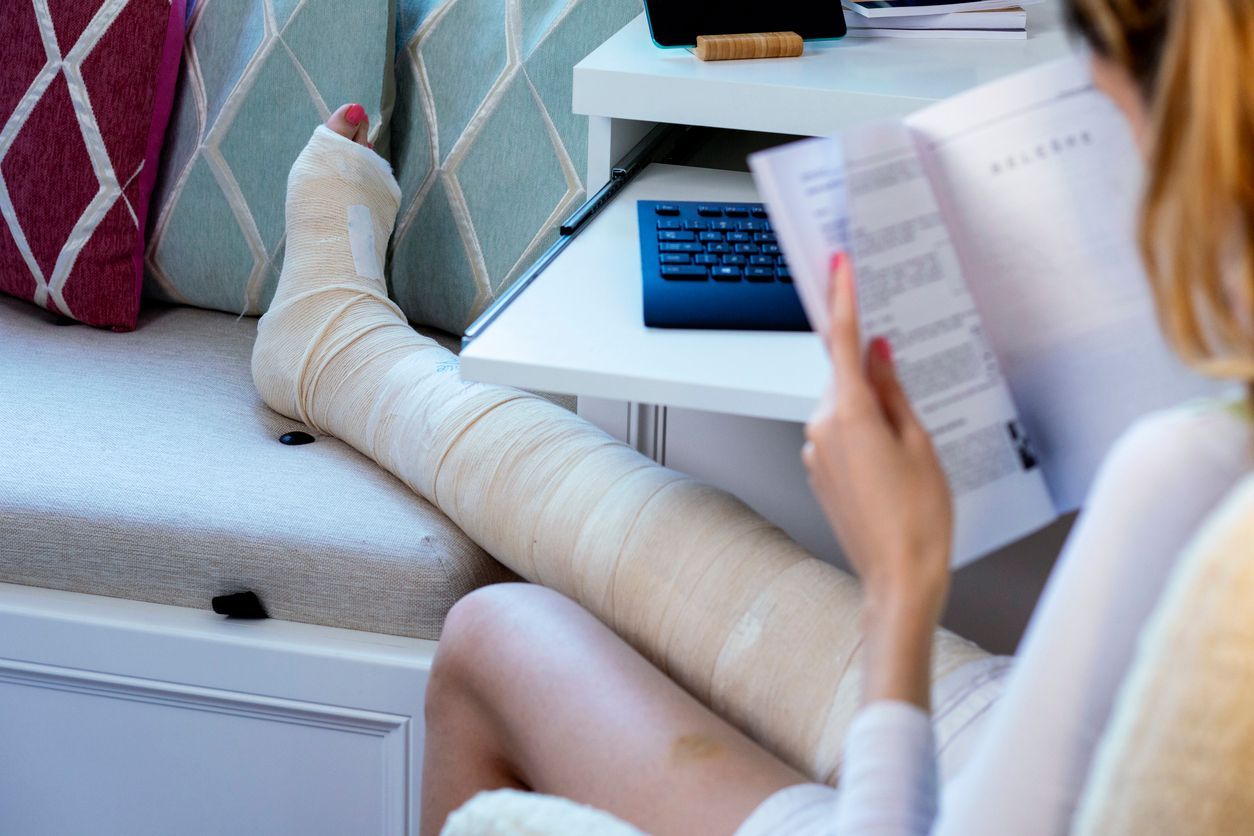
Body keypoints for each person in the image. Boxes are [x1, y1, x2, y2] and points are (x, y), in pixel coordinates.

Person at [270, 1, 1253, 832]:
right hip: (1015, 719)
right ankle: (342, 354)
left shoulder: (1191, 480)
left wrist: (902, 581)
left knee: (495, 631)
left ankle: (339, 349)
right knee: (640, 553)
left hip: (961, 784)